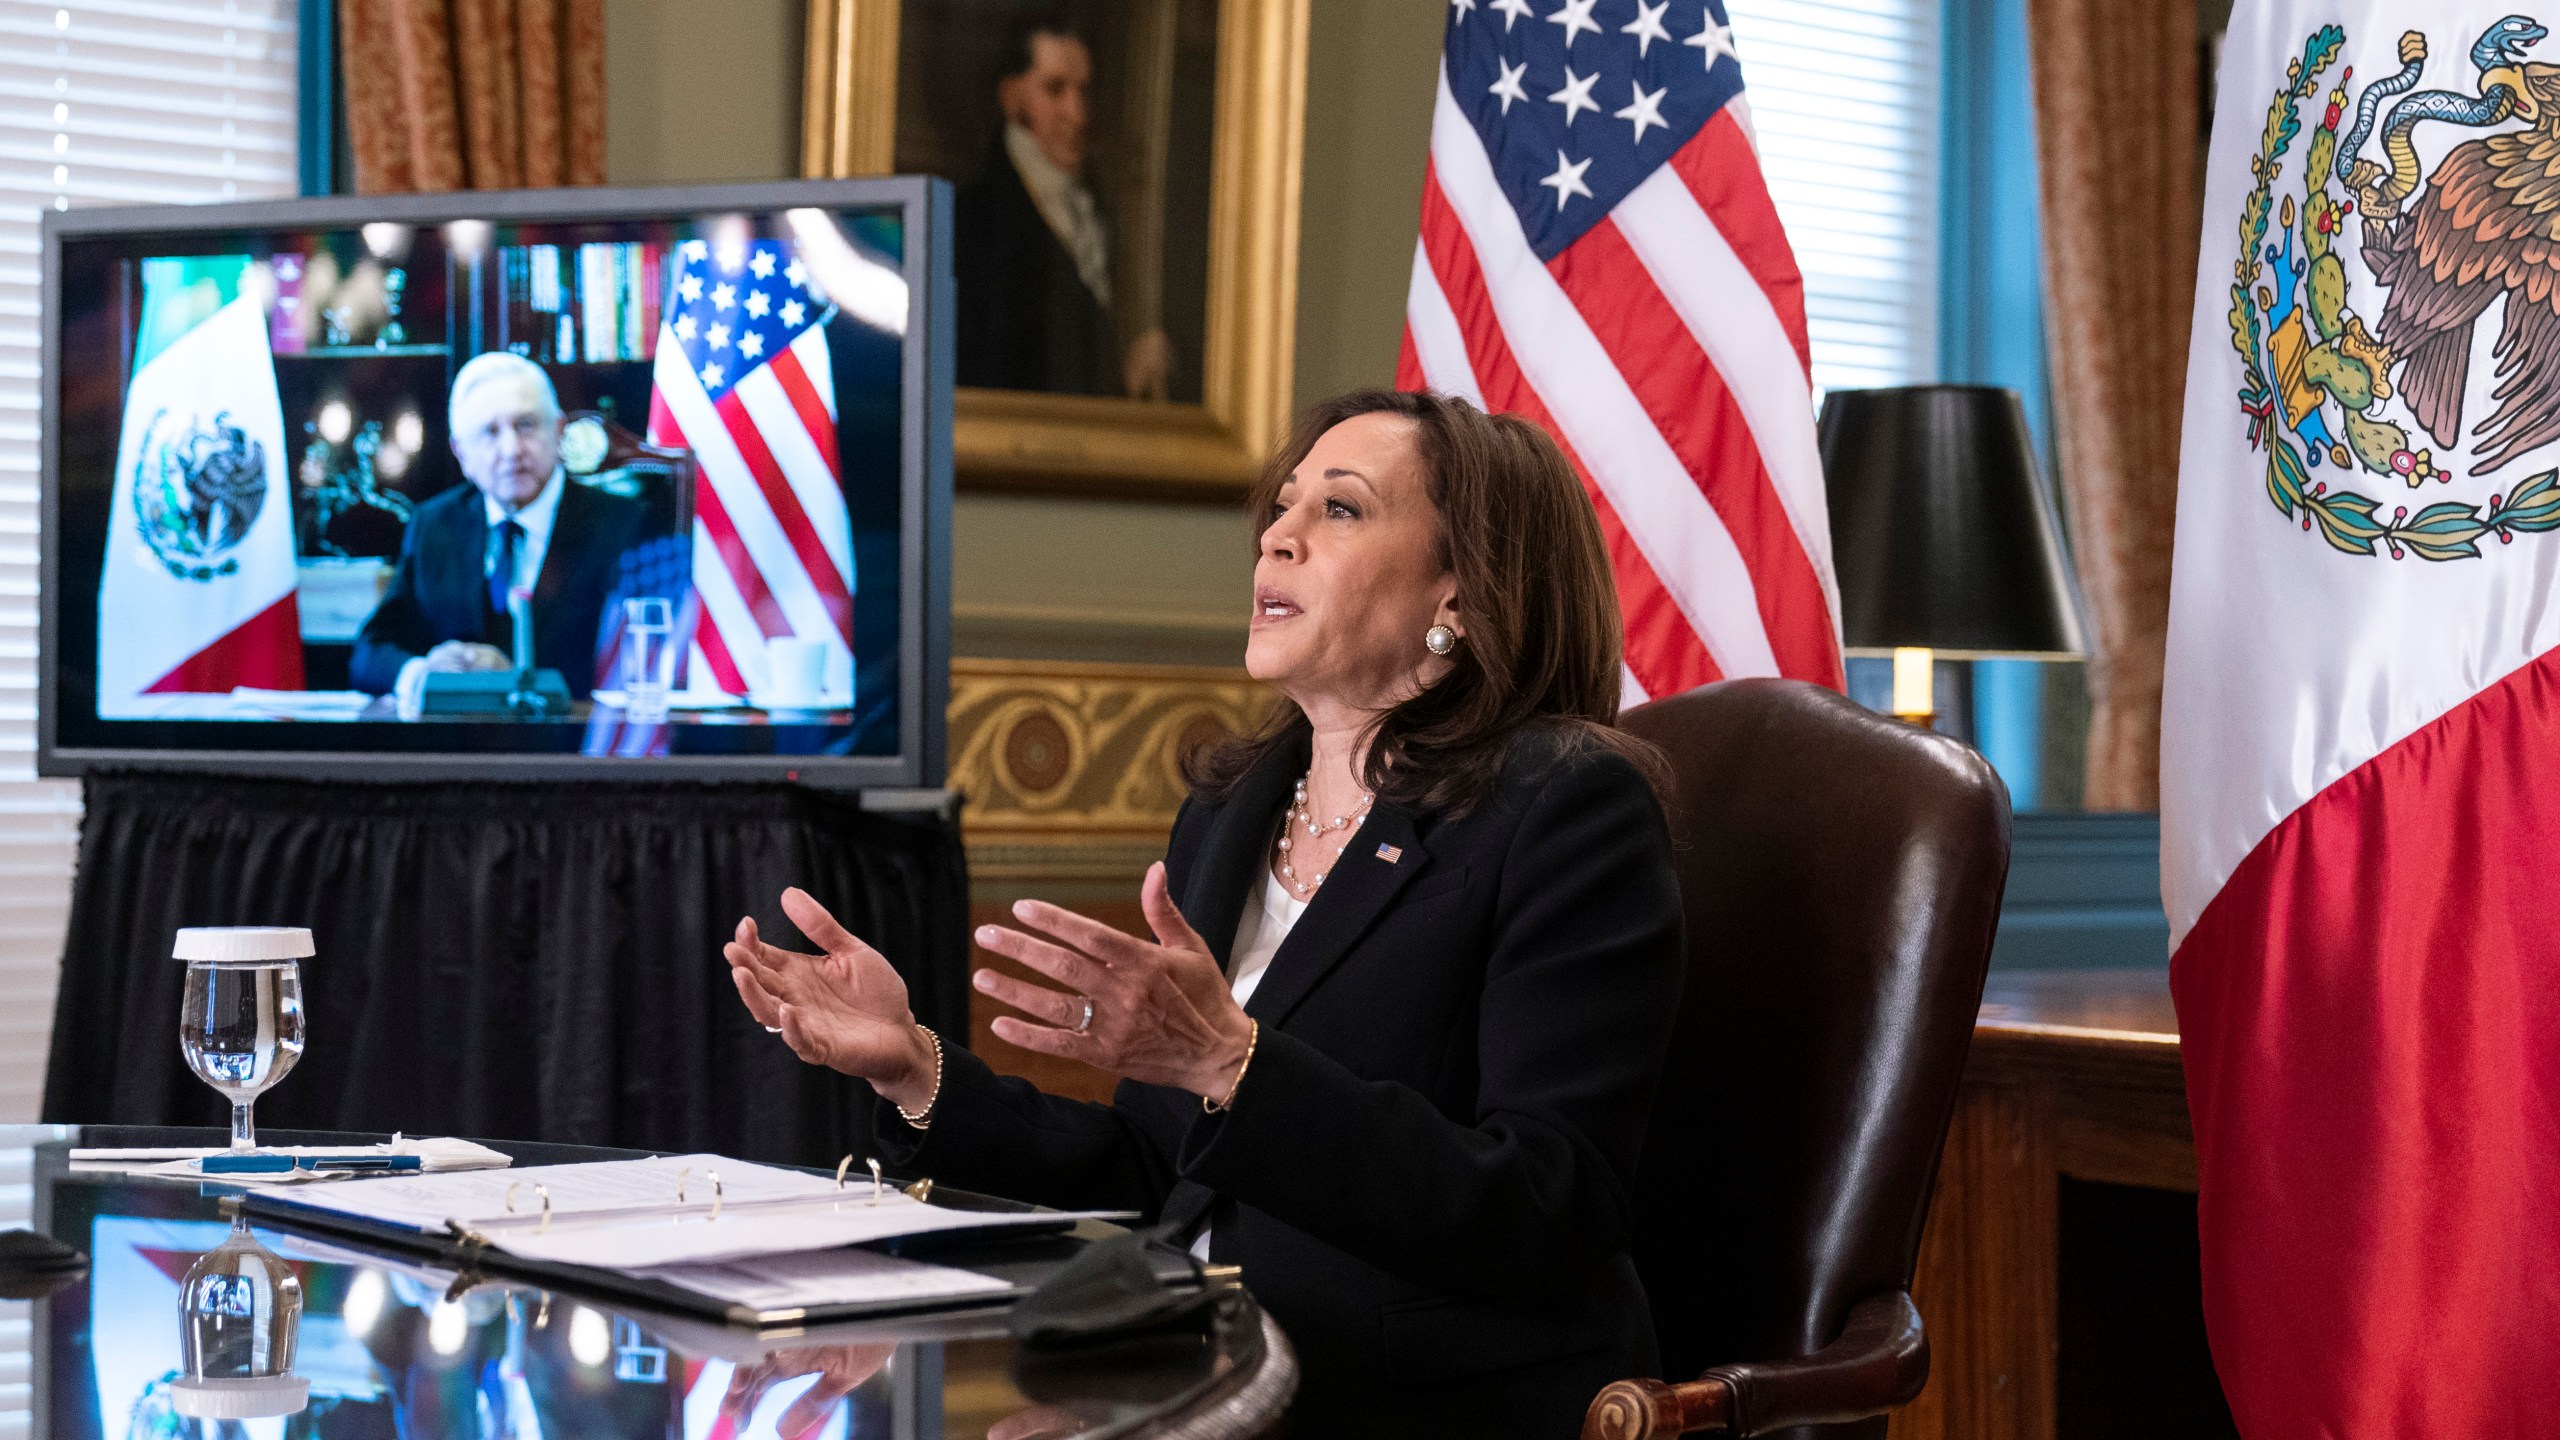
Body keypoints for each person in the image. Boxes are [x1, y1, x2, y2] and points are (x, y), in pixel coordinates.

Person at [728, 390, 1686, 1437]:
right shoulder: (1232, 811)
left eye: (1341, 510)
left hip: (1416, 1402)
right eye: (1281, 508)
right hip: (1187, 1375)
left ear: (1458, 588)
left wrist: (1234, 1066)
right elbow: (1161, 1169)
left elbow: (1551, 1209)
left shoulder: (1563, 810)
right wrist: (913, 1068)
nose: (1276, 535)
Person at [350, 353, 643, 704]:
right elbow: (370, 652)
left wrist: (515, 677)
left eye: (526, 425)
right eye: (490, 432)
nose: (511, 450)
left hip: (575, 749)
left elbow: (637, 662)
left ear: (559, 431)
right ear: (461, 453)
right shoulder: (436, 524)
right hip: (457, 748)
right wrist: (422, 672)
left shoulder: (625, 527)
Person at [953, 12, 1176, 399]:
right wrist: (1119, 381)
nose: (1078, 114)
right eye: (1055, 90)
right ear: (1011, 97)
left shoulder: (1099, 206)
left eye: (1083, 91)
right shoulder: (973, 219)